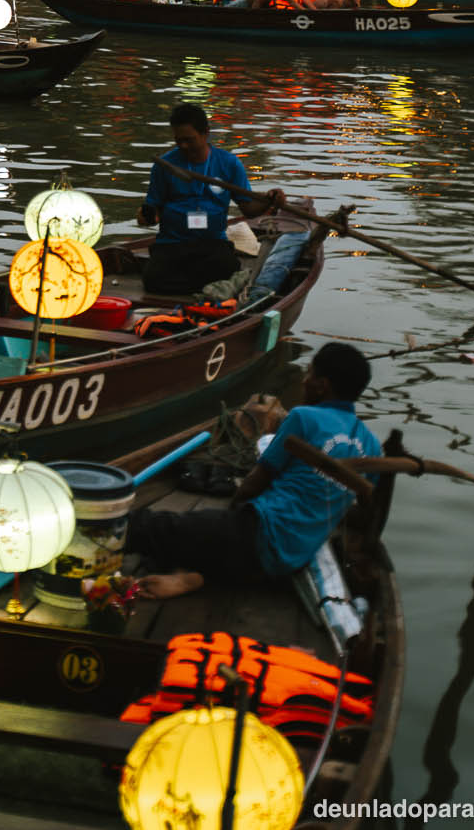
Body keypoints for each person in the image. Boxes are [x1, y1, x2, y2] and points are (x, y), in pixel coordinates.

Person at [125, 344, 381, 598]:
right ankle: (193, 573)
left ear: (322, 385)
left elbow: (256, 481)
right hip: (287, 562)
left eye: (309, 373)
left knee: (147, 526)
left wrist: (231, 516)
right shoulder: (372, 446)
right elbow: (356, 510)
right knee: (200, 538)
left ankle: (180, 565)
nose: (304, 380)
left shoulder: (305, 417)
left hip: (259, 533)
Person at [136, 103, 284, 299]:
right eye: (178, 141)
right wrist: (146, 215)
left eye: (189, 140)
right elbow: (153, 212)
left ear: (206, 133)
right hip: (173, 243)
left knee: (227, 269)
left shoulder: (228, 163)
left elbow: (248, 208)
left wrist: (269, 201)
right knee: (153, 280)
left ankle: (195, 286)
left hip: (211, 243)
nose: (183, 146)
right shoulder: (165, 165)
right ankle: (204, 288)